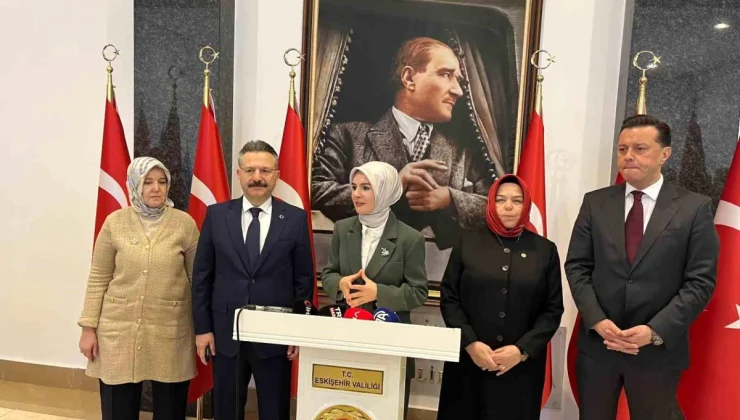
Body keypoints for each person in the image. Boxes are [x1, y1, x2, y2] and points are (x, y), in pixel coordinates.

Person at [565, 115, 720, 420]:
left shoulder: (694, 208)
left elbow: (700, 281)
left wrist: (654, 331)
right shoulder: (595, 203)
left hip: (656, 350)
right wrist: (597, 320)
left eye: (640, 148)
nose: (628, 156)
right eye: (622, 149)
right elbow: (577, 266)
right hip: (600, 347)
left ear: (665, 154)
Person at [312, 36, 493, 249]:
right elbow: (316, 191)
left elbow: (498, 208)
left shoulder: (464, 151)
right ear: (409, 78)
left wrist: (449, 199)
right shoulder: (347, 135)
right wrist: (390, 186)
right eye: (446, 75)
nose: (458, 91)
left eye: (458, 80)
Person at [191, 140, 314, 420]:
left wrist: (297, 330)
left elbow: (303, 280)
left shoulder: (294, 219)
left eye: (265, 171)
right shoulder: (217, 215)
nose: (257, 177)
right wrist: (202, 329)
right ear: (239, 174)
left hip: (276, 334)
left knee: (274, 410)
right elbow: (202, 277)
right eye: (250, 170)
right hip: (225, 333)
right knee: (226, 410)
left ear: (277, 175)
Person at [78, 157, 199, 420]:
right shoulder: (115, 222)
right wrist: (88, 328)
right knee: (118, 409)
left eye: (162, 181)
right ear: (134, 185)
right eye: (147, 182)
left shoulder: (185, 224)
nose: (156, 188)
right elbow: (98, 278)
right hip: (118, 330)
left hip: (170, 330)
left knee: (170, 409)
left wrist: (203, 329)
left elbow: (197, 281)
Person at [437, 174, 563, 419]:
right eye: (501, 199)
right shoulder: (467, 241)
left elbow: (552, 310)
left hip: (519, 369)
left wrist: (521, 350)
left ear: (525, 205)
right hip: (468, 363)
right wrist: (471, 344)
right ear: (491, 204)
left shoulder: (545, 250)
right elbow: (449, 297)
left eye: (516, 200)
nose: (508, 207)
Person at [321, 161, 428, 419]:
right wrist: (340, 284)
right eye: (354, 187)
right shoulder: (342, 228)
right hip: (346, 340)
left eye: (366, 188)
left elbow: (418, 292)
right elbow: (329, 273)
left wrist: (378, 293)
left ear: (385, 191)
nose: (356, 194)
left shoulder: (410, 239)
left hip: (390, 344)